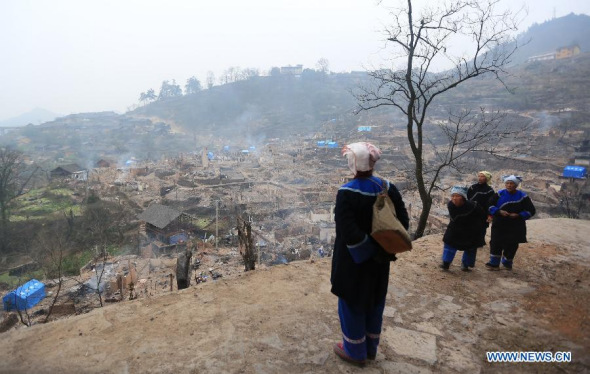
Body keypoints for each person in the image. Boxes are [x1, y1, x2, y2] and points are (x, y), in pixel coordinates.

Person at [330, 142, 409, 366]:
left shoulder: (346, 192)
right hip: (381, 259)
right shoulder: (388, 187)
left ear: (352, 164)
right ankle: (371, 348)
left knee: (352, 301)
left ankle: (355, 352)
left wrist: (365, 249)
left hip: (353, 261)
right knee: (375, 300)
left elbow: (347, 231)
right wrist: (383, 248)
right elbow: (402, 222)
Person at [486, 175, 536, 270]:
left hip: (515, 225)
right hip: (499, 223)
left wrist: (519, 215)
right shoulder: (499, 194)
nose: (509, 185)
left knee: (512, 244)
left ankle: (507, 261)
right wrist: (499, 211)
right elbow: (489, 205)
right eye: (507, 183)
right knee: (496, 242)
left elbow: (531, 210)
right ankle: (494, 263)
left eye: (511, 183)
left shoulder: (522, 196)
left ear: (516, 185)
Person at [441, 186, 486, 271]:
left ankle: (466, 264)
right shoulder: (451, 205)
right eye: (453, 196)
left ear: (463, 197)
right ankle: (446, 263)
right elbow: (455, 218)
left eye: (457, 196)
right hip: (455, 228)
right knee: (449, 243)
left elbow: (482, 214)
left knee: (470, 246)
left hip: (470, 229)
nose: (454, 198)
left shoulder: (473, 206)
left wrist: (478, 226)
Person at [467, 171, 495, 245]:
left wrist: (490, 215)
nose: (480, 178)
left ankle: (480, 241)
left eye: (482, 176)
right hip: (472, 211)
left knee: (482, 227)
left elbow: (491, 203)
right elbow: (468, 198)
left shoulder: (489, 190)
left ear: (486, 178)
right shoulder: (473, 187)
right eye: (479, 176)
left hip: (483, 212)